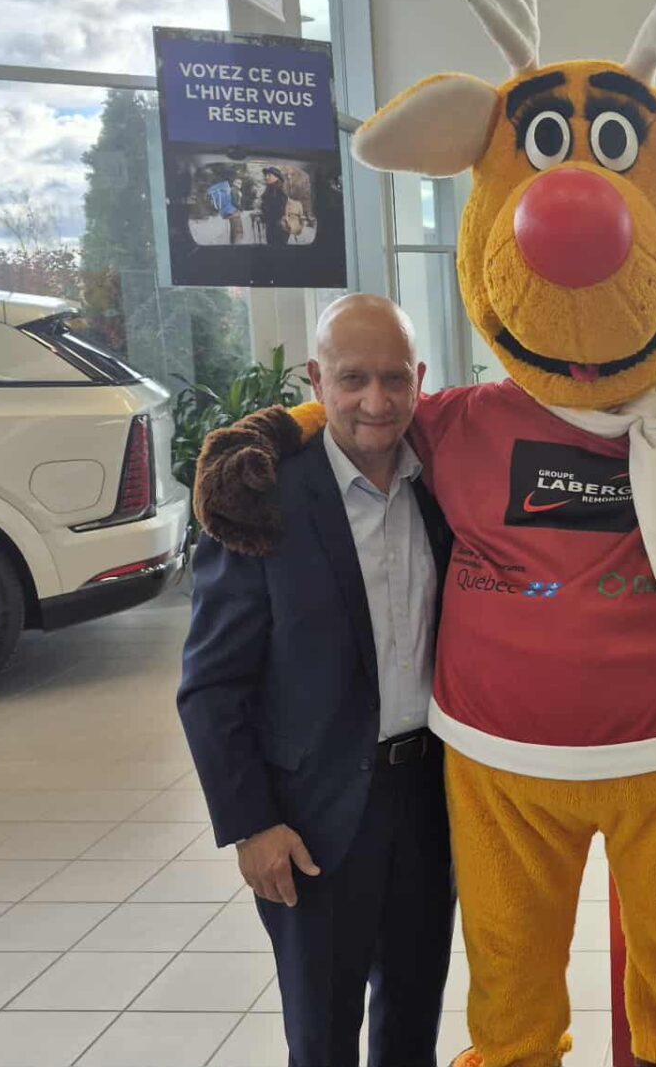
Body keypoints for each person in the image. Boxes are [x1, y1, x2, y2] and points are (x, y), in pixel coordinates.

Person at [178, 294, 455, 1067]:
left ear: (419, 379)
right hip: (314, 818)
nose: (377, 401)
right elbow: (211, 686)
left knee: (413, 1016)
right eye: (353, 378)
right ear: (316, 378)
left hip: (429, 803)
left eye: (394, 378)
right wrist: (251, 824)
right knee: (324, 1033)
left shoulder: (442, 483)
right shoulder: (260, 496)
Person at [261, 166, 290, 245]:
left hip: (278, 229)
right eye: (266, 175)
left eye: (269, 175)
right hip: (271, 227)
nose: (266, 177)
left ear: (277, 178)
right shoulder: (269, 191)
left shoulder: (280, 193)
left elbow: (277, 212)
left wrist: (264, 215)